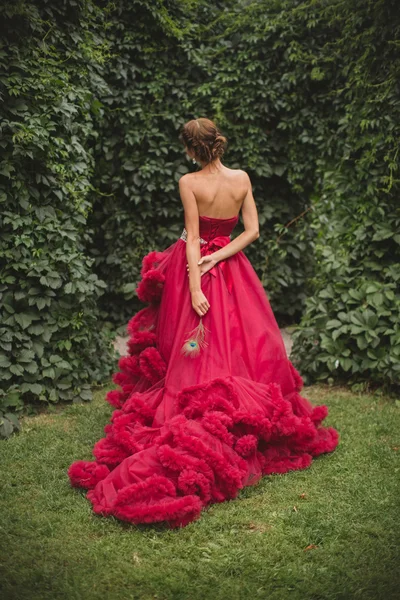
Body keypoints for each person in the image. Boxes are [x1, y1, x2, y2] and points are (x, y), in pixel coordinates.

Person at [68, 117, 339, 528]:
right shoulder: (242, 177)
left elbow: (193, 238)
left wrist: (196, 285)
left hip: (193, 268)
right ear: (218, 144)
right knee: (238, 338)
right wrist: (223, 254)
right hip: (233, 268)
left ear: (191, 149)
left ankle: (196, 398)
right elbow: (253, 230)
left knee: (192, 341)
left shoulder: (189, 182)